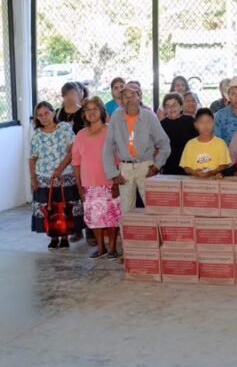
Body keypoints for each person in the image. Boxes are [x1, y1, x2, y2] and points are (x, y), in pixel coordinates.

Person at [103, 82, 171, 214]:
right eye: (125, 96)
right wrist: (113, 173)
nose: (129, 99)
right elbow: (108, 146)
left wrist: (157, 166)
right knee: (126, 210)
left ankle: (154, 228)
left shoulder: (149, 116)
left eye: (133, 95)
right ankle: (129, 228)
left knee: (153, 208)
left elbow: (164, 144)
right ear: (122, 100)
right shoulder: (116, 116)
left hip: (146, 166)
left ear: (139, 97)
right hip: (125, 168)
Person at [29, 101, 85, 250]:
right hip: (43, 178)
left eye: (46, 113)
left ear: (53, 112)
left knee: (65, 208)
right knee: (49, 209)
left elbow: (72, 150)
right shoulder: (37, 135)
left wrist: (60, 168)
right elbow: (32, 158)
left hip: (64, 176)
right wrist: (33, 179)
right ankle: (53, 237)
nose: (44, 117)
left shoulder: (64, 128)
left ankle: (65, 237)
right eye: (40, 115)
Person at [72, 97, 121, 259]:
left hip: (109, 182)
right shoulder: (81, 135)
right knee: (94, 219)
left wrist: (116, 183)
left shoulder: (111, 131)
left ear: (101, 111)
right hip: (89, 185)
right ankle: (101, 248)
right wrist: (79, 187)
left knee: (112, 218)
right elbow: (76, 162)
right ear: (84, 114)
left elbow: (118, 159)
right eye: (87, 109)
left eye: (95, 109)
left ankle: (112, 248)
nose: (91, 112)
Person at [180, 108, 231, 178]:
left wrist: (212, 172)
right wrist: (194, 172)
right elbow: (186, 167)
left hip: (215, 181)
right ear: (196, 125)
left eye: (209, 121)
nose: (205, 125)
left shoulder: (221, 143)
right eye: (202, 122)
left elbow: (224, 165)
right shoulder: (190, 144)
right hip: (194, 182)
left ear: (214, 123)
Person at [159, 93, 197, 176]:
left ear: (181, 106)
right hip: (169, 167)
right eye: (168, 106)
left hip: (189, 166)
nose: (171, 108)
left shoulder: (190, 121)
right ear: (165, 109)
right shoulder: (161, 125)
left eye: (174, 105)